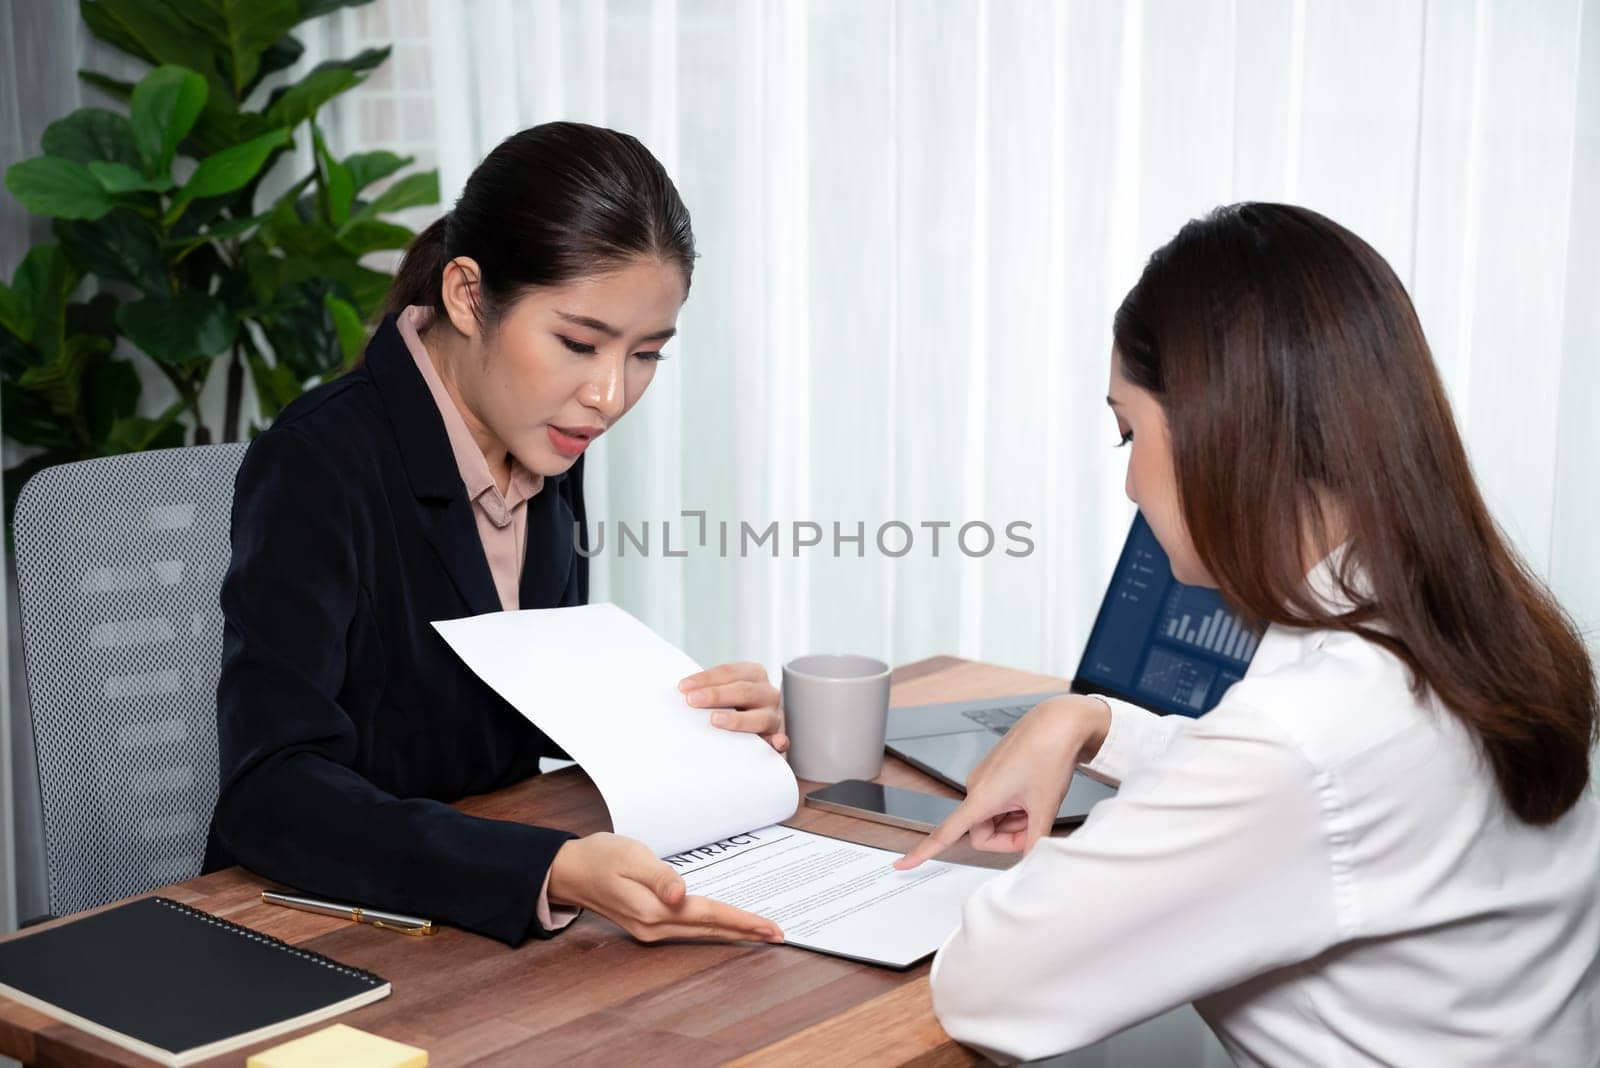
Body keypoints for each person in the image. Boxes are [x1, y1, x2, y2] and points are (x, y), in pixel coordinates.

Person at [898, 203, 1600, 1065]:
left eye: (1130, 431)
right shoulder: (1464, 639)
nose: (1128, 486)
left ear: (1218, 430)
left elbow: (987, 983)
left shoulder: (1310, 737)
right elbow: (1316, 807)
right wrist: (1093, 723)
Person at [204, 122, 787, 948]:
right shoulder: (318, 462)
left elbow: (486, 707)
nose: (610, 395)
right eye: (579, 344)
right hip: (321, 929)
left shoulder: (542, 429)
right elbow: (272, 791)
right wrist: (541, 869)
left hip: (476, 931)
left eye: (647, 354)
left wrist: (700, 725)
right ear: (467, 295)